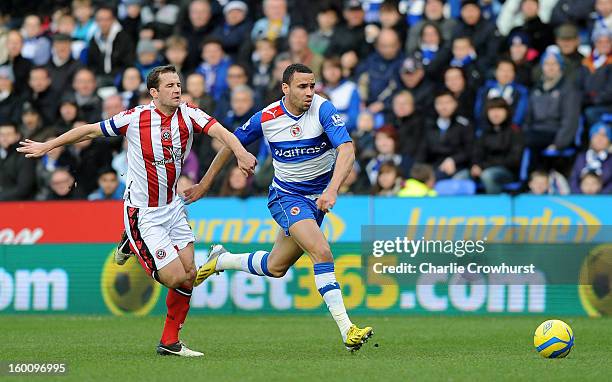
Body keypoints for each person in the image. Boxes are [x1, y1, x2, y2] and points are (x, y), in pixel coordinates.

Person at [17, 65, 257, 357]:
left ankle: (170, 342)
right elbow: (90, 130)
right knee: (173, 277)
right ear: (154, 93)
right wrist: (48, 145)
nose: (177, 89)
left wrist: (241, 152)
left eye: (178, 84)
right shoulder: (136, 117)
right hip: (143, 213)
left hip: (173, 207)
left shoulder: (190, 113)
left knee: (189, 273)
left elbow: (223, 132)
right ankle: (131, 241)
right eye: (169, 86)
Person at [185, 64, 374, 352]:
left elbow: (347, 150)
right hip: (287, 198)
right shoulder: (268, 116)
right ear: (285, 88)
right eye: (302, 86)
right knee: (321, 252)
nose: (309, 92)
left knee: (275, 267)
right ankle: (348, 330)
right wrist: (205, 184)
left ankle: (222, 259)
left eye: (312, 85)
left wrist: (332, 189)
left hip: (318, 199)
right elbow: (230, 142)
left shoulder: (324, 110)